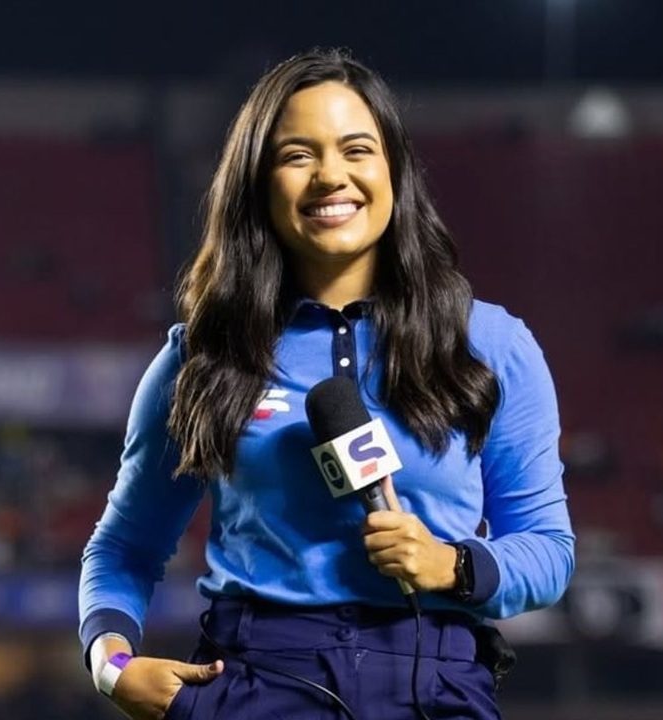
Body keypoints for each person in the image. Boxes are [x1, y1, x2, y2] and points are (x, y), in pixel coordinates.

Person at [78, 48, 575, 720]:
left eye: (356, 150)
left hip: (437, 684)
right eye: (297, 156)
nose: (330, 177)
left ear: (394, 169)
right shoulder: (204, 353)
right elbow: (125, 545)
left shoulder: (492, 345)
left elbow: (547, 550)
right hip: (256, 683)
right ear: (258, 183)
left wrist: (451, 565)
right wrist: (111, 665)